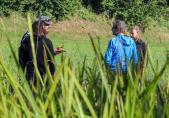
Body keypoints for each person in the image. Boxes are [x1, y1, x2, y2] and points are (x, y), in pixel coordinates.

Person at [18, 16, 65, 84]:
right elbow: (26, 56)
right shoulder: (28, 38)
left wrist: (53, 52)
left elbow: (37, 53)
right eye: (46, 24)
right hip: (35, 75)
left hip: (31, 76)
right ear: (40, 26)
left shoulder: (43, 38)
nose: (49, 26)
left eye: (49, 24)